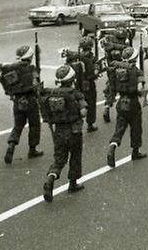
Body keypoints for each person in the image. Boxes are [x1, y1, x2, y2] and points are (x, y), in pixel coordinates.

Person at [40, 65, 87, 202]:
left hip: (58, 131)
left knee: (59, 159)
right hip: (73, 130)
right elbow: (84, 111)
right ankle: (73, 183)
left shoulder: (50, 94)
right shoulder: (75, 94)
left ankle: (51, 177)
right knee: (75, 156)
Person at [0, 45, 44, 164]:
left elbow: (0, 74)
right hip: (30, 99)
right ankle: (32, 149)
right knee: (34, 124)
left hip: (18, 100)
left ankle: (11, 144)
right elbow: (36, 84)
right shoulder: (32, 68)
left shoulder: (11, 68)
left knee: (18, 125)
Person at [106, 47, 148, 167]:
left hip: (121, 101)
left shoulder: (116, 69)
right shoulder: (137, 71)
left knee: (119, 127)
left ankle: (112, 146)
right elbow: (140, 89)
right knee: (136, 127)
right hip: (133, 101)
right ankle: (135, 151)